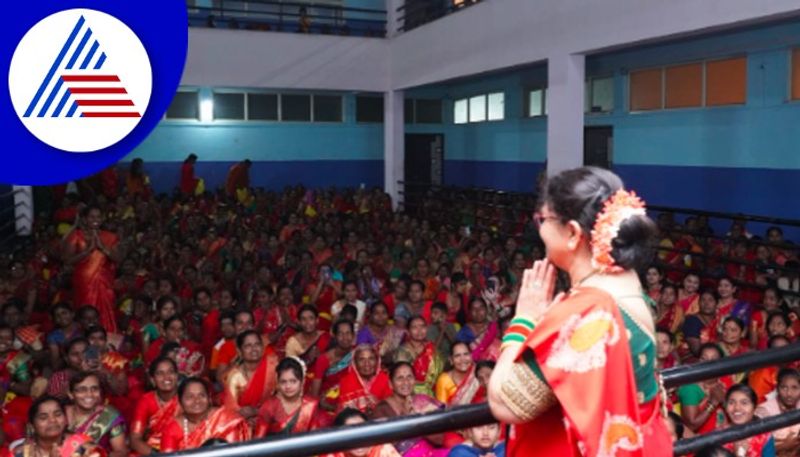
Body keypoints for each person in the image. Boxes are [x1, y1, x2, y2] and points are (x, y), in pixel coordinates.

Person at [487, 167, 672, 456]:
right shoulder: (627, 281)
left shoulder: (588, 310)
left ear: (572, 232)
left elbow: (505, 402)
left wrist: (525, 320)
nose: (541, 229)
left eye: (542, 219)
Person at [63, 205, 121, 333]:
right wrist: (87, 251)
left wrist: (102, 247)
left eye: (98, 216)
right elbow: (67, 260)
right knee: (85, 309)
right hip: (84, 283)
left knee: (105, 310)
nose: (95, 219)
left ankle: (106, 336)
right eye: (92, 217)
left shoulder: (110, 236)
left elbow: (118, 258)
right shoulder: (76, 235)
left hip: (104, 283)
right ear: (84, 219)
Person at [372, 362, 447, 457]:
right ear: (391, 384)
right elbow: (384, 447)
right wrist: (405, 417)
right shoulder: (382, 409)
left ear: (415, 381)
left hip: (431, 452)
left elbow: (439, 439)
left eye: (409, 377)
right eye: (400, 378)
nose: (406, 382)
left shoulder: (422, 401)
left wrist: (416, 419)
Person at [160, 377, 250, 452]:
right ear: (180, 402)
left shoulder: (226, 420)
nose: (197, 401)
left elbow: (233, 454)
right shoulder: (172, 429)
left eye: (201, 395)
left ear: (209, 399)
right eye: (190, 397)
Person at [6, 396, 103, 457]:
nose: (52, 420)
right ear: (32, 426)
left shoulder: (83, 446)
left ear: (66, 420)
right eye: (43, 417)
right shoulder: (21, 454)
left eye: (57, 414)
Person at [223, 330, 279, 429]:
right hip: (244, 426)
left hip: (272, 419)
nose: (253, 349)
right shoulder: (234, 377)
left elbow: (283, 398)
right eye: (248, 346)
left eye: (257, 344)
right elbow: (231, 410)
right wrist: (247, 420)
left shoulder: (273, 365)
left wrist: (258, 412)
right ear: (239, 351)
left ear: (262, 347)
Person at [65, 372, 128, 457]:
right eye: (82, 389)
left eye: (94, 389)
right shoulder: (60, 413)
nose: (89, 394)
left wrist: (98, 454)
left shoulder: (109, 415)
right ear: (70, 394)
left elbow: (121, 452)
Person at [130, 357, 181, 455]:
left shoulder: (186, 398)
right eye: (160, 373)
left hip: (182, 449)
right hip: (152, 451)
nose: (166, 377)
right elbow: (135, 439)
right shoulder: (146, 401)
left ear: (177, 376)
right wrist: (157, 455)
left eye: (171, 372)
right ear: (153, 380)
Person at [256, 357, 318, 436]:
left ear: (302, 381)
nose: (288, 386)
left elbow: (314, 439)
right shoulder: (269, 407)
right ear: (278, 383)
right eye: (283, 382)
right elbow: (259, 439)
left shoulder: (310, 405)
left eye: (293, 381)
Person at [678, 343, 731, 434]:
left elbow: (737, 411)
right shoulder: (690, 388)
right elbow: (691, 425)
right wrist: (713, 403)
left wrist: (723, 401)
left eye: (714, 360)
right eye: (704, 359)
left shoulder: (725, 380)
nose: (708, 363)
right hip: (701, 442)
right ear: (698, 361)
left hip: (727, 434)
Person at [719, 384, 776, 457]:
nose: (737, 408)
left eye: (744, 403)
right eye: (731, 402)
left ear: (754, 408)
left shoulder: (764, 436)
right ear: (726, 407)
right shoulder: (718, 437)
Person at [755, 368, 800, 457]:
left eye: (795, 388)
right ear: (777, 388)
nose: (789, 393)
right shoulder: (763, 411)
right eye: (784, 387)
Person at [318, 408, 400, 457]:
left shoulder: (382, 449)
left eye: (363, 433)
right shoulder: (333, 454)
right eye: (351, 435)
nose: (359, 440)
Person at [394, 316, 444, 396]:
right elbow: (401, 378)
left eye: (422, 326)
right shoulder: (402, 352)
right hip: (409, 392)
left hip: (434, 392)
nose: (419, 331)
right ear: (408, 331)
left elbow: (439, 371)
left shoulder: (431, 348)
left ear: (426, 328)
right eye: (414, 327)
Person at [338, 344, 392, 415]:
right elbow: (344, 413)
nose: (367, 364)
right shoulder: (346, 382)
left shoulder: (386, 380)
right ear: (355, 363)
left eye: (371, 358)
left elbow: (393, 410)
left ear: (377, 361)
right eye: (361, 359)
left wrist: (378, 403)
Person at [435, 342, 479, 406]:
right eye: (457, 356)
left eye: (466, 354)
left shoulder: (478, 373)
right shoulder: (444, 380)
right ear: (451, 360)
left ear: (471, 356)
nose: (462, 359)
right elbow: (442, 410)